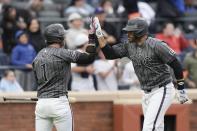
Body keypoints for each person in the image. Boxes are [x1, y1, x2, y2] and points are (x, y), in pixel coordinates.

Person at [90, 17, 189, 131]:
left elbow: (176, 64)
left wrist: (181, 88)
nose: (128, 34)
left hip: (162, 89)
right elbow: (109, 54)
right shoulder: (129, 45)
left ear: (140, 32)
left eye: (131, 32)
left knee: (149, 127)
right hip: (146, 92)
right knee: (157, 127)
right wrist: (99, 33)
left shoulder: (157, 45)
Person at [32, 23, 96, 131]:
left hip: (41, 104)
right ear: (60, 39)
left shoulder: (38, 56)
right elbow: (89, 58)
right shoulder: (63, 53)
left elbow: (37, 80)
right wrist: (92, 38)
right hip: (59, 103)